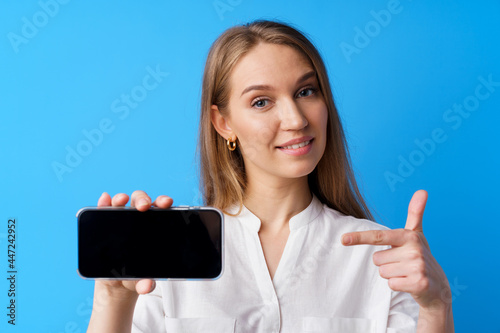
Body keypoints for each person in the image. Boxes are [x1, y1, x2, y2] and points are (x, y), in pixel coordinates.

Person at [87, 20, 454, 332]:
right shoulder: (171, 249)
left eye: (306, 91)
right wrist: (112, 300)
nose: (296, 119)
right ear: (223, 122)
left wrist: (437, 306)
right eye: (261, 101)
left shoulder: (379, 260)